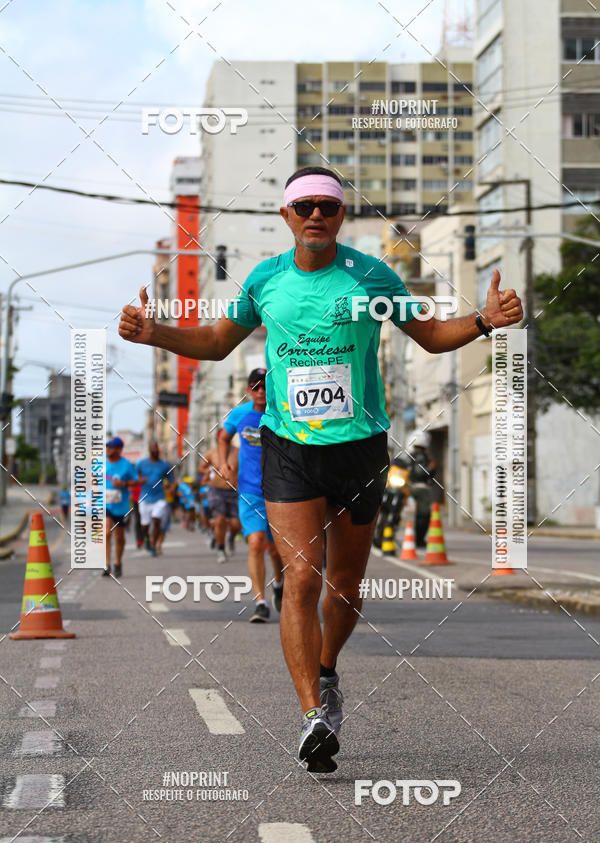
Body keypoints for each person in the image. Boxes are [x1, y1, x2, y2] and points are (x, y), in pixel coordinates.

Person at [119, 165, 523, 773]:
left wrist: (486, 320)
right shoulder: (265, 280)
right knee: (302, 579)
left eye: (327, 208)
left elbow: (433, 335)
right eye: (303, 205)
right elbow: (215, 341)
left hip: (360, 448)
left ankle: (328, 670)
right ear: (286, 216)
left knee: (345, 588)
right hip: (290, 449)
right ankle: (313, 716)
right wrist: (156, 334)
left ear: (339, 216)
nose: (315, 215)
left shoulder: (371, 276)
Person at [220, 368, 285, 623]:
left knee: (277, 551)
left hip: (280, 490)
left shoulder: (281, 412)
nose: (260, 391)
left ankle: (279, 583)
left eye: (265, 386)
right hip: (249, 490)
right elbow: (223, 438)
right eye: (255, 386)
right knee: (256, 543)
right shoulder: (240, 414)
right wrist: (225, 463)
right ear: (248, 390)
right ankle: (260, 602)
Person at [199, 436, 241, 564]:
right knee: (219, 520)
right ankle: (221, 549)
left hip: (234, 491)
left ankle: (231, 538)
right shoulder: (211, 453)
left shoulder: (238, 451)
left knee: (236, 524)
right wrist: (208, 471)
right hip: (217, 490)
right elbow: (201, 467)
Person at [104, 436, 138, 578]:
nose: (108, 449)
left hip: (121, 506)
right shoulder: (101, 463)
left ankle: (117, 562)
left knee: (119, 537)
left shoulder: (126, 465)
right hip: (105, 504)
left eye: (111, 447)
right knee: (106, 533)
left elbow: (135, 481)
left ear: (119, 449)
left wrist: (123, 484)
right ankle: (106, 564)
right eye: (107, 447)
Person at [136, 441, 173, 557]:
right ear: (149, 450)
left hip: (159, 497)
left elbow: (171, 479)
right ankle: (146, 538)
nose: (155, 450)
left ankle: (153, 545)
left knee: (157, 521)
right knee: (145, 525)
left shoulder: (164, 465)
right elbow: (133, 476)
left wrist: (168, 485)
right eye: (153, 448)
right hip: (144, 497)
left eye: (156, 448)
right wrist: (138, 481)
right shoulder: (141, 464)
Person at [405, 429, 436, 547]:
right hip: (421, 488)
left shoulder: (410, 455)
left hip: (408, 486)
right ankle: (419, 540)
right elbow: (420, 471)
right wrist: (431, 468)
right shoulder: (421, 456)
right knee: (424, 514)